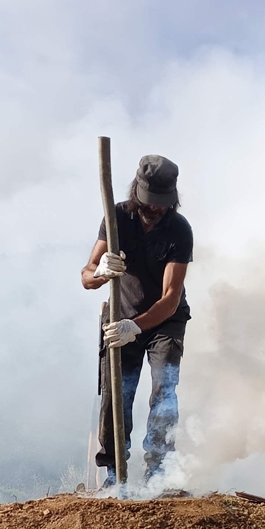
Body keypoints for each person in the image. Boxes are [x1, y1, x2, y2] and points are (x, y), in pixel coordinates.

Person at [81, 154, 192, 486]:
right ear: (137, 191)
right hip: (119, 316)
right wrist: (100, 272)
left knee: (163, 388)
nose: (155, 207)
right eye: (150, 200)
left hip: (164, 321)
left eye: (161, 202)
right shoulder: (116, 218)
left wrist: (137, 326)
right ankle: (114, 474)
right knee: (116, 393)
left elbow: (170, 297)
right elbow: (87, 276)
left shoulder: (179, 230)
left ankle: (159, 475)